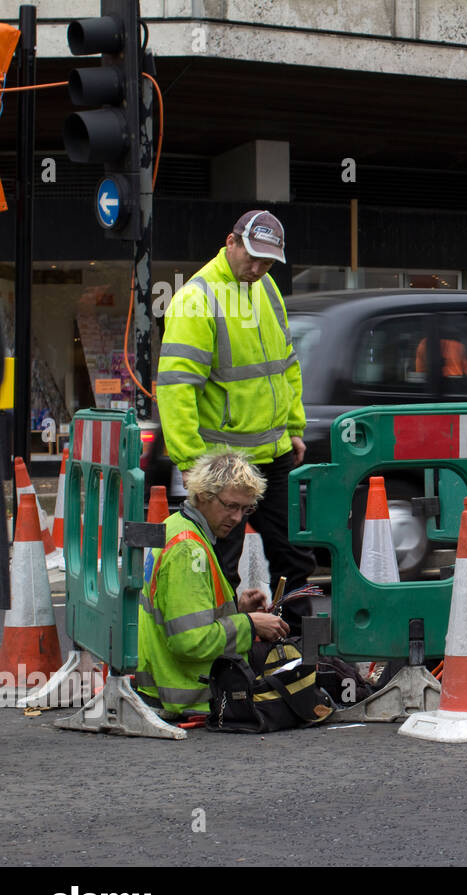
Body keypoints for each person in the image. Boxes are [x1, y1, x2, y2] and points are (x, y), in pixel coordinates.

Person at [156, 210, 316, 632]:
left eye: (268, 261)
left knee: (292, 555)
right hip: (223, 465)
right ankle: (223, 656)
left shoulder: (265, 289)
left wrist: (294, 427)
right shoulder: (196, 298)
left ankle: (293, 646)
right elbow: (175, 387)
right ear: (231, 242)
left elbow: (286, 364)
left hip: (273, 453)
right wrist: (191, 461)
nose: (259, 268)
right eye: (253, 257)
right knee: (219, 564)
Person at [136, 452, 290, 718]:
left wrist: (239, 610)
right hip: (186, 692)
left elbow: (180, 615)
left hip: (164, 679)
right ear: (204, 495)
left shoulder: (174, 526)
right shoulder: (188, 550)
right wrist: (251, 624)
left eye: (245, 509)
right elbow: (190, 641)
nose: (238, 517)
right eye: (230, 506)